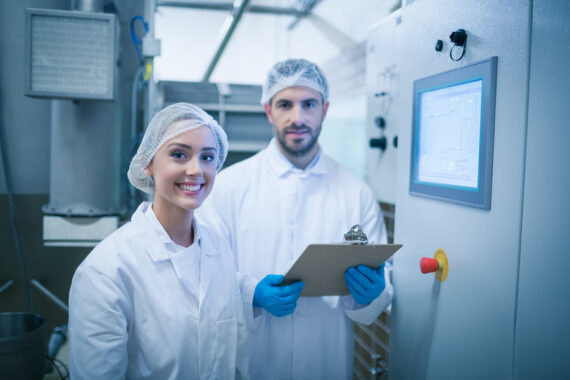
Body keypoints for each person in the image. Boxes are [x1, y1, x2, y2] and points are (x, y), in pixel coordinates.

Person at [197, 58, 393, 379]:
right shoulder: (229, 188)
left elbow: (376, 301)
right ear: (268, 110)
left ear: (325, 110)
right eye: (285, 104)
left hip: (325, 361)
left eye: (309, 104)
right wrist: (250, 293)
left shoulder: (356, 193)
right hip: (253, 363)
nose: (297, 118)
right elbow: (202, 275)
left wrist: (374, 295)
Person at [68, 103, 249, 379]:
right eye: (179, 155)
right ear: (149, 163)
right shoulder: (105, 272)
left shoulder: (218, 248)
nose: (196, 170)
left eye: (208, 157)